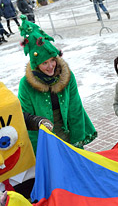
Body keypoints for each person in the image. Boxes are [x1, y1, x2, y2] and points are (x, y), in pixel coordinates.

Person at [17, 21, 97, 154]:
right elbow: (26, 118)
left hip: (67, 129)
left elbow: (75, 108)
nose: (50, 66)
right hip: (43, 136)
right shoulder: (26, 84)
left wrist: (77, 142)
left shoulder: (67, 76)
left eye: (52, 60)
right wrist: (39, 152)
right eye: (44, 63)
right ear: (36, 65)